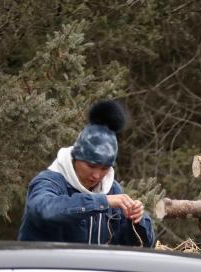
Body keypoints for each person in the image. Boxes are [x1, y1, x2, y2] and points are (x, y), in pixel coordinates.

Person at [18, 100, 154, 247]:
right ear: (76, 157)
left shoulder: (112, 189)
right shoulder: (49, 181)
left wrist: (137, 220)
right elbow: (44, 210)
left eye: (104, 168)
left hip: (90, 269)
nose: (96, 175)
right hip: (42, 268)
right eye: (91, 165)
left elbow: (141, 245)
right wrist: (103, 202)